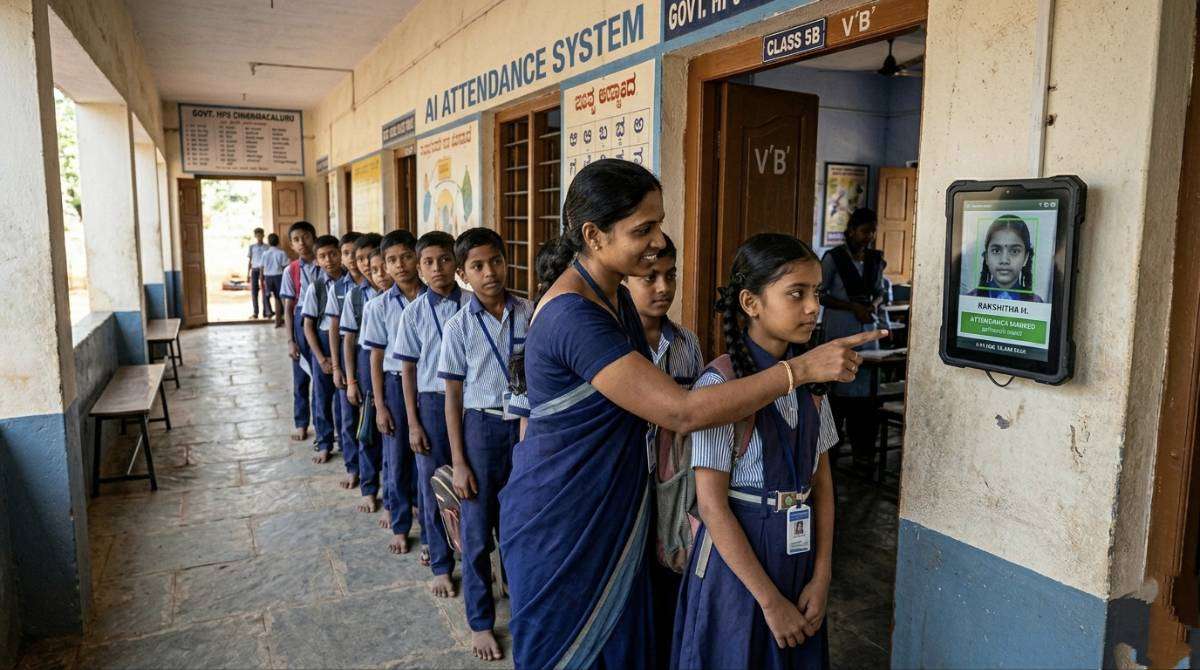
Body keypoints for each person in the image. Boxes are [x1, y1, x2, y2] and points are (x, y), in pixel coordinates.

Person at [498, 159, 881, 669]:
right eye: (643, 229)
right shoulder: (572, 314)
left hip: (613, 507)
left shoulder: (614, 301)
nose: (658, 241)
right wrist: (801, 370)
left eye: (659, 224)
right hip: (566, 515)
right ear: (593, 235)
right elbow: (681, 412)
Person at [672, 233, 842, 670]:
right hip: (741, 571)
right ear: (751, 303)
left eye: (816, 293)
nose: (812, 307)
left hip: (797, 558)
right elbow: (711, 507)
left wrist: (821, 576)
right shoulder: (721, 386)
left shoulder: (813, 383)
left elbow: (821, 485)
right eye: (796, 293)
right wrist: (770, 602)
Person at [438, 228, 534, 661]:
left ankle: (525, 609)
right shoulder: (458, 326)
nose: (489, 272)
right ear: (462, 274)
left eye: (495, 261)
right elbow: (453, 399)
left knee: (521, 526)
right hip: (480, 429)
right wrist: (458, 461)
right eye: (477, 266)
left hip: (525, 428)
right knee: (477, 534)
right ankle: (480, 622)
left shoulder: (530, 312)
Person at [623, 233, 704, 665]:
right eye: (649, 277)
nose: (663, 287)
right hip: (628, 485)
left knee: (671, 576)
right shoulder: (615, 345)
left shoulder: (686, 343)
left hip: (674, 489)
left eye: (670, 276)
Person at [397, 231, 472, 598]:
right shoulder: (413, 313)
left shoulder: (473, 304)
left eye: (444, 259)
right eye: (428, 262)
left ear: (457, 263)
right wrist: (413, 422)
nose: (437, 268)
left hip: (471, 403)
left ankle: (475, 555)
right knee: (433, 486)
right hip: (430, 403)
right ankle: (441, 564)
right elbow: (407, 371)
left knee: (472, 480)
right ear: (418, 267)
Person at [365, 231, 427, 553]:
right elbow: (375, 357)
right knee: (398, 457)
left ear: (416, 258)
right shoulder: (379, 306)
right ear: (385, 266)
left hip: (429, 384)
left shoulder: (434, 297)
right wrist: (380, 405)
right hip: (393, 383)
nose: (400, 265)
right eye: (392, 260)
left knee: (428, 457)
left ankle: (432, 529)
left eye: (405, 257)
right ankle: (401, 525)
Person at [819, 208, 887, 470]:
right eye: (864, 231)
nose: (869, 236)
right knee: (839, 386)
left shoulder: (874, 260)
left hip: (867, 328)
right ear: (850, 231)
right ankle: (831, 452)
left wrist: (873, 304)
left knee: (865, 387)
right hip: (841, 326)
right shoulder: (834, 259)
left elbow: (881, 291)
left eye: (872, 231)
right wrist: (851, 307)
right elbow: (821, 295)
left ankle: (863, 452)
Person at [351, 247, 393, 520]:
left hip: (399, 376)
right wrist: (352, 377)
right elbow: (358, 345)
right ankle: (369, 485)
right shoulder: (364, 299)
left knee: (393, 444)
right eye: (368, 265)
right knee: (368, 430)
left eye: (379, 266)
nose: (374, 271)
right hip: (371, 371)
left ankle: (393, 497)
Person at [327, 232, 369, 489]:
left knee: (368, 422)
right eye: (347, 253)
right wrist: (336, 366)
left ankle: (369, 473)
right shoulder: (338, 288)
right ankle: (353, 468)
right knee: (348, 418)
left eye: (357, 253)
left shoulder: (377, 285)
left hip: (368, 359)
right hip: (347, 358)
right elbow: (335, 330)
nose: (352, 259)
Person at [302, 234, 346, 464]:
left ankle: (346, 440)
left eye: (333, 253)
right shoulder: (316, 288)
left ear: (340, 254)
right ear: (316, 261)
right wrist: (320, 358)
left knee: (345, 399)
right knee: (322, 397)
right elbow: (308, 325)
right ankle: (324, 442)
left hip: (345, 344)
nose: (329, 259)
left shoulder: (351, 283)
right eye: (322, 256)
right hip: (322, 346)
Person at [280, 221, 320, 443]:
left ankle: (323, 426)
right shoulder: (291, 271)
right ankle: (302, 423)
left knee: (323, 377)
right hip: (300, 320)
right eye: (296, 239)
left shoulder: (324, 265)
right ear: (292, 245)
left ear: (313, 238)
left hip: (322, 320)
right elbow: (288, 309)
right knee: (301, 378)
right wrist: (290, 341)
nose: (301, 243)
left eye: (305, 237)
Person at [967, 214, 1045, 302]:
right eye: (996, 251)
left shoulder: (1036, 302)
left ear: (1025, 258)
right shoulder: (970, 299)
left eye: (1014, 251)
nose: (1004, 260)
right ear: (987, 257)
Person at [261, 234, 289, 327]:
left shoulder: (265, 253)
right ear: (278, 242)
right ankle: (286, 321)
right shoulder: (281, 253)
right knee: (282, 299)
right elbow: (285, 266)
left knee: (273, 298)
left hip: (268, 277)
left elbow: (262, 267)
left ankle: (276, 320)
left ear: (268, 242)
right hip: (278, 276)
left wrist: (261, 278)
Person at [247, 227, 270, 319]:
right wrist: (247, 273)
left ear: (263, 235)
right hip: (255, 270)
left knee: (265, 291)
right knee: (254, 292)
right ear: (255, 236)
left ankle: (266, 312)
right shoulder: (252, 247)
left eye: (260, 235)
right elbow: (250, 261)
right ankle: (255, 312)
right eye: (257, 235)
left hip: (264, 271)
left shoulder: (267, 247)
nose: (259, 237)